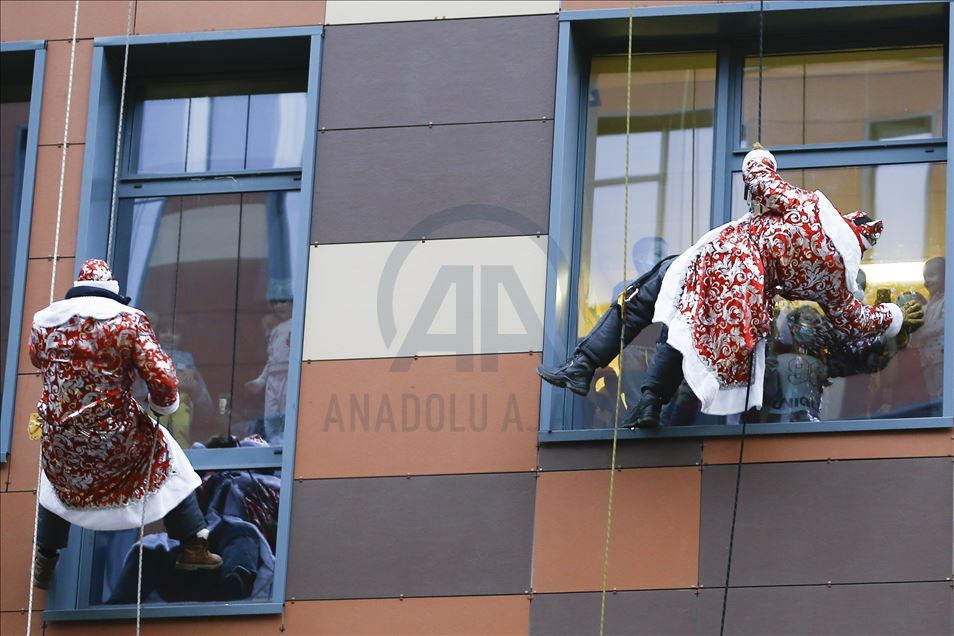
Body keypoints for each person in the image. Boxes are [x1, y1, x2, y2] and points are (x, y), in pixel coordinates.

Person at [539, 144, 909, 427]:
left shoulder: (809, 210)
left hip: (722, 260)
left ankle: (582, 365)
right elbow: (856, 321)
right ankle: (649, 402)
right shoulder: (835, 283)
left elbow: (759, 178)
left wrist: (760, 154)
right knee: (683, 331)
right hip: (747, 299)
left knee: (642, 299)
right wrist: (894, 315)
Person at [29, 259, 222, 590]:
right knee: (166, 450)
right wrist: (161, 407)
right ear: (113, 293)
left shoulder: (45, 324)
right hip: (113, 436)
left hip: (63, 435)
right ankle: (193, 544)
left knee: (54, 476)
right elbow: (163, 378)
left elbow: (36, 359)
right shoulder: (127, 322)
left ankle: (45, 557)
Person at [913, 256, 945, 413]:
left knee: (942, 390)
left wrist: (922, 333)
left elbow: (944, 323)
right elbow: (919, 326)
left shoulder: (946, 300)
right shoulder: (930, 304)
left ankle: (942, 414)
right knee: (932, 393)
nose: (927, 281)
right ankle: (936, 414)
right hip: (926, 358)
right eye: (925, 277)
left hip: (941, 356)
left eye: (932, 275)